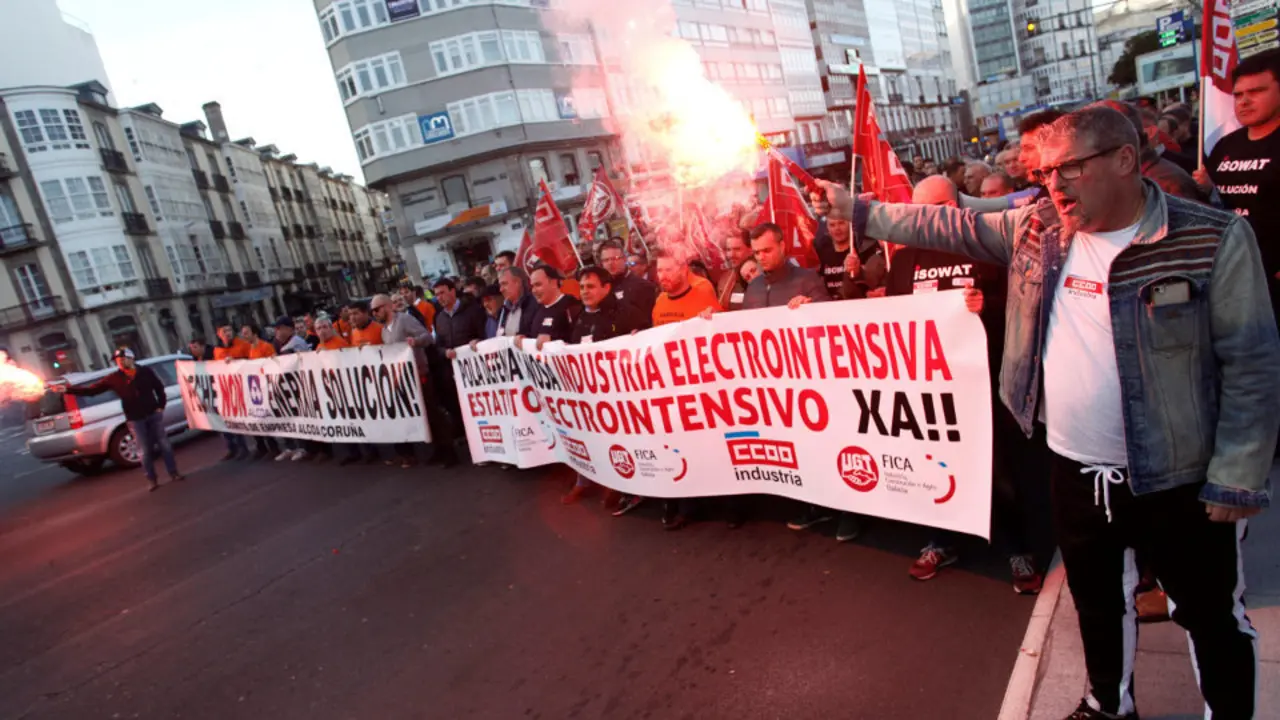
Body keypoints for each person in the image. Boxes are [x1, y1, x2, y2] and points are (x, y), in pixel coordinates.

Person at [815, 106, 1280, 720]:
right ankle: (1109, 705)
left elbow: (1252, 363)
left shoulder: (1210, 238)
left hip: (1182, 477)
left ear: (1123, 160)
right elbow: (945, 223)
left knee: (1210, 613)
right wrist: (860, 211)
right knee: (1096, 602)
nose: (1053, 185)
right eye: (1046, 172)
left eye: (1069, 170)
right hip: (1075, 469)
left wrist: (1238, 474)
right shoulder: (1038, 228)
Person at [1197, 49, 1280, 335]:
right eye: (1238, 95)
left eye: (1256, 91)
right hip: (1237, 277)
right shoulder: (1225, 146)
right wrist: (1206, 189)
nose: (1244, 102)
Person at [639, 250, 720, 528]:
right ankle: (681, 502)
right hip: (671, 388)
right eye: (659, 271)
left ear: (685, 269)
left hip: (702, 387)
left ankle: (727, 503)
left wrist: (712, 321)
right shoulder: (660, 301)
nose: (662, 276)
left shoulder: (703, 294)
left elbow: (720, 336)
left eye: (668, 270)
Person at [561, 265, 648, 506]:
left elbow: (645, 340)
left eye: (590, 286)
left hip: (621, 394)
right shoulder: (579, 316)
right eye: (582, 287)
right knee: (590, 438)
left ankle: (622, 485)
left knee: (620, 441)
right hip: (589, 394)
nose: (585, 291)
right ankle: (587, 480)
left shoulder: (625, 312)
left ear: (606, 288)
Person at [58, 348, 182, 491]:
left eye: (123, 359)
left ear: (131, 358)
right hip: (135, 419)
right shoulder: (114, 378)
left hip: (153, 414)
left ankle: (174, 473)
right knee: (144, 451)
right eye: (117, 360)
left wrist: (161, 405)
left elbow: (159, 388)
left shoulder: (145, 372)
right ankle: (152, 479)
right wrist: (67, 390)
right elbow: (91, 391)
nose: (120, 362)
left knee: (164, 445)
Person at [373, 292, 457, 468]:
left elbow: (427, 337)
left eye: (377, 309)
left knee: (433, 412)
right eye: (373, 311)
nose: (375, 313)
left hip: (419, 373)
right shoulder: (383, 331)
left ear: (387, 306)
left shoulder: (404, 320)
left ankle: (450, 452)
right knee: (424, 416)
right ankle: (438, 449)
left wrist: (415, 341)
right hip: (404, 379)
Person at [432, 277, 488, 450]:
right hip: (452, 372)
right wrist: (444, 353)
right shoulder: (439, 317)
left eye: (442, 293)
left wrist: (477, 342)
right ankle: (471, 439)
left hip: (476, 372)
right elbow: (438, 345)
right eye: (436, 295)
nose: (439, 298)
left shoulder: (472, 311)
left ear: (453, 291)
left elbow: (484, 336)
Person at [269, 316, 312, 461]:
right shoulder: (276, 343)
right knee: (285, 416)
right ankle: (290, 446)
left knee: (298, 416)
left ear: (289, 329)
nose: (277, 332)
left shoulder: (297, 343)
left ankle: (303, 447)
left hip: (297, 385)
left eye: (280, 328)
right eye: (276, 329)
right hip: (283, 386)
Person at [212, 324, 251, 461]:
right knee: (233, 420)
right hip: (229, 389)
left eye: (229, 330)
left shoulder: (243, 344)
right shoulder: (217, 350)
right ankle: (241, 448)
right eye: (224, 331)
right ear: (219, 334)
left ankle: (266, 446)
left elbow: (252, 362)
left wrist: (237, 361)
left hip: (245, 386)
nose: (227, 333)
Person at [517, 265, 582, 346]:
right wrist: (522, 338)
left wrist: (552, 341)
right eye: (532, 286)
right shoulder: (535, 309)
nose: (534, 290)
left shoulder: (572, 305)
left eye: (538, 285)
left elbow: (581, 342)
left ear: (553, 283)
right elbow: (531, 335)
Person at [597, 239, 656, 325]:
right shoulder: (601, 289)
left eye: (615, 258)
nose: (610, 263)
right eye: (606, 260)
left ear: (624, 259)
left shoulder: (642, 286)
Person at [494, 267, 537, 339]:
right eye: (500, 285)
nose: (501, 290)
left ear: (518, 282)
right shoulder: (503, 310)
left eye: (504, 284)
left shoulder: (535, 305)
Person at [716, 229, 753, 310]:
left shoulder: (759, 276)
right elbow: (721, 310)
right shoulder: (724, 279)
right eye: (729, 250)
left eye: (737, 249)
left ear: (750, 250)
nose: (731, 255)